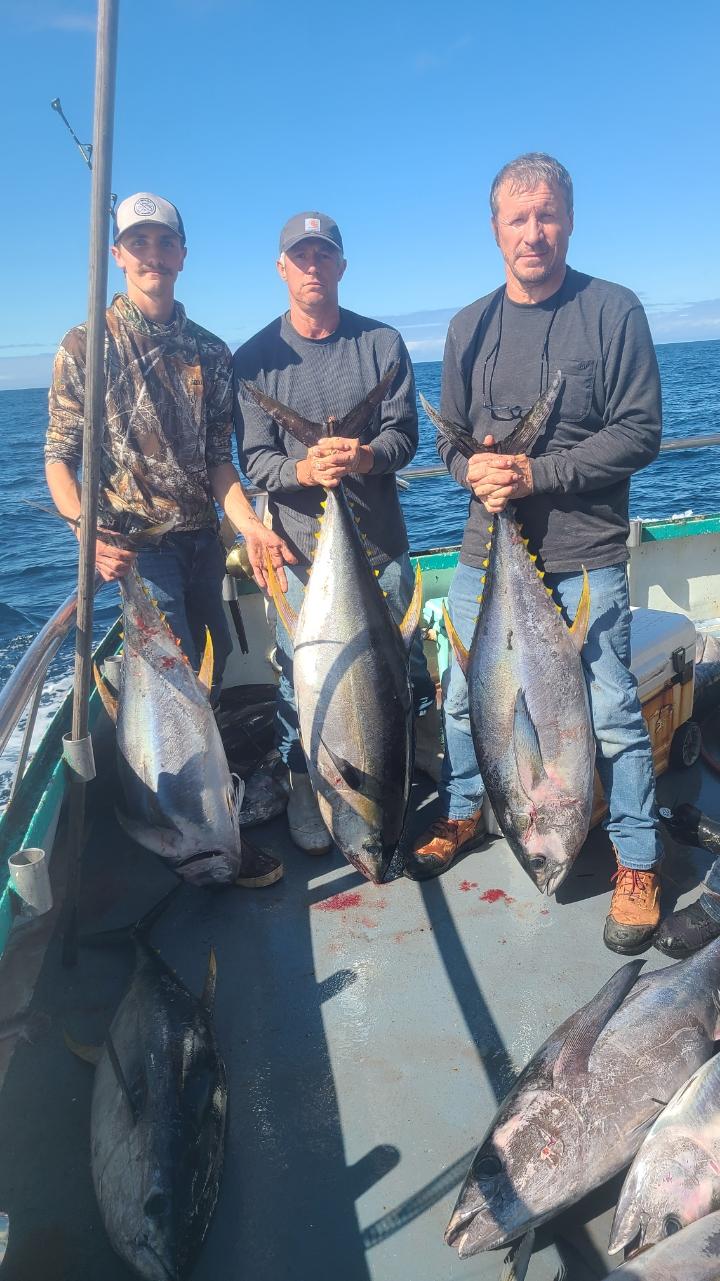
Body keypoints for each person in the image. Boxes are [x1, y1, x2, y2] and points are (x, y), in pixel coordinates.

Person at [405, 154, 664, 956]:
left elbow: (642, 432)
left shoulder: (612, 310)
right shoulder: (465, 328)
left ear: (571, 219)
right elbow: (449, 442)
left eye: (546, 215)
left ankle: (638, 860)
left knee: (612, 711)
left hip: (584, 555)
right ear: (494, 230)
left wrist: (535, 470)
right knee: (462, 701)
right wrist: (472, 469)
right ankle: (467, 807)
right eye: (517, 219)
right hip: (490, 551)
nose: (533, 233)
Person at [45, 190, 290, 887]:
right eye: (138, 243)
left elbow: (221, 462)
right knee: (175, 700)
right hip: (136, 552)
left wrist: (250, 524)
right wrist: (84, 532)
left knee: (202, 687)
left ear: (182, 254)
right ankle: (195, 840)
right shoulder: (82, 346)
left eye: (164, 242)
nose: (153, 255)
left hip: (203, 544)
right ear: (119, 255)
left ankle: (204, 820)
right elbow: (58, 459)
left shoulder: (211, 352)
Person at [234, 211, 437, 855]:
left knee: (401, 676)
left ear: (342, 265)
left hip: (382, 545)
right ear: (281, 269)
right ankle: (305, 783)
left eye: (324, 256)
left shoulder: (382, 344)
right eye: (301, 257)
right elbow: (256, 462)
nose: (313, 267)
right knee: (306, 680)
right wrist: (304, 466)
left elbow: (406, 436)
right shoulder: (253, 362)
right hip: (301, 560)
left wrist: (368, 457)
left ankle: (399, 775)